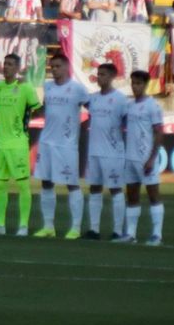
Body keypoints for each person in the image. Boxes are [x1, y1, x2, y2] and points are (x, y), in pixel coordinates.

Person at [34, 52, 89, 239]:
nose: (55, 70)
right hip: (46, 142)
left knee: (72, 184)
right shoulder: (48, 87)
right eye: (52, 67)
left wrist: (85, 125)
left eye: (58, 66)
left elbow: (92, 109)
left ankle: (76, 228)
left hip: (66, 144)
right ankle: (49, 227)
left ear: (66, 67)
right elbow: (45, 108)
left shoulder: (78, 89)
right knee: (46, 183)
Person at [0, 53, 39, 238]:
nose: (6, 67)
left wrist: (23, 124)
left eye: (10, 64)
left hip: (17, 142)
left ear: (18, 68)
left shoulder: (25, 88)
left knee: (23, 185)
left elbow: (37, 108)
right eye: (5, 63)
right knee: (0, 185)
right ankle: (0, 225)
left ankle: (23, 226)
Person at [83, 61, 129, 241]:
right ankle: (94, 230)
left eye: (103, 74)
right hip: (94, 151)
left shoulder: (120, 99)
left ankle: (117, 231)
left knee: (115, 189)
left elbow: (127, 122)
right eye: (98, 74)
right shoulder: (93, 99)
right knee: (94, 188)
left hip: (113, 153)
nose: (99, 77)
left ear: (112, 77)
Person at [120, 69, 166, 246]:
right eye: (133, 83)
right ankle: (130, 234)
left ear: (146, 85)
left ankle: (157, 235)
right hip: (130, 158)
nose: (135, 87)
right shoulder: (129, 105)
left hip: (146, 158)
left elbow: (159, 132)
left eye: (138, 83)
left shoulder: (152, 106)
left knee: (153, 196)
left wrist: (152, 158)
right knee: (132, 197)